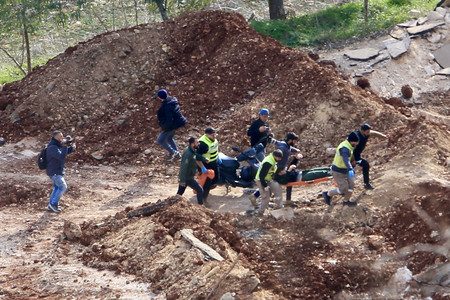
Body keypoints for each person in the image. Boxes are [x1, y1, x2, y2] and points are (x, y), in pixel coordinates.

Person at [249, 132, 303, 207]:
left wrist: (296, 150)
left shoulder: (286, 145)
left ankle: (288, 200)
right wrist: (279, 170)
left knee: (284, 182)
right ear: (290, 140)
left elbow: (289, 149)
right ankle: (255, 196)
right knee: (273, 184)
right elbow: (281, 152)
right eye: (294, 141)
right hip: (278, 170)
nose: (295, 142)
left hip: (281, 169)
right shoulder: (282, 147)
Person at [322, 132, 359, 206]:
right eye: (356, 142)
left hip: (345, 169)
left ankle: (346, 201)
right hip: (338, 171)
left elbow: (350, 155)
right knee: (343, 188)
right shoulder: (344, 148)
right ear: (352, 141)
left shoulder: (350, 146)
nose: (357, 144)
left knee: (351, 184)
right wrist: (350, 168)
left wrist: (353, 161)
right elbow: (345, 159)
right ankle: (328, 194)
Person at [46, 131, 74, 213]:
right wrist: (65, 145)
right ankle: (54, 204)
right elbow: (61, 156)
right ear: (56, 137)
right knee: (63, 186)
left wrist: (71, 148)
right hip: (54, 171)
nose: (63, 138)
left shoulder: (56, 145)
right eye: (61, 137)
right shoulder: (52, 147)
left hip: (55, 170)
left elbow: (63, 152)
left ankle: (51, 205)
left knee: (57, 187)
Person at [156, 89, 187, 161]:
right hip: (177, 124)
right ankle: (178, 155)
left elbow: (169, 120)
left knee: (160, 140)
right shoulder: (172, 101)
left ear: (160, 97)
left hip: (171, 126)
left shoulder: (167, 106)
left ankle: (173, 152)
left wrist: (164, 128)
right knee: (169, 138)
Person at [353, 123, 387, 190]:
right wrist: (352, 160)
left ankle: (366, 184)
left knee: (366, 165)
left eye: (369, 131)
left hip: (357, 155)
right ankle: (341, 189)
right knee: (348, 172)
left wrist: (382, 136)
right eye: (367, 132)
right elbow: (350, 149)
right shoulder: (357, 137)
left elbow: (373, 133)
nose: (369, 133)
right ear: (362, 131)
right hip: (351, 156)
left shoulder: (366, 134)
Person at [196, 127, 221, 201]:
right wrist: (202, 167)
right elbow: (197, 157)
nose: (214, 136)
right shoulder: (202, 144)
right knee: (207, 181)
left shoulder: (214, 139)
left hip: (213, 162)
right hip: (205, 164)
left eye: (215, 134)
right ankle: (203, 198)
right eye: (212, 135)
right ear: (207, 135)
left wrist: (217, 157)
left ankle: (205, 190)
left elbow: (215, 148)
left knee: (216, 179)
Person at [177, 137, 204, 205]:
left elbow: (195, 156)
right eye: (197, 142)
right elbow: (184, 167)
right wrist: (182, 180)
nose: (199, 144)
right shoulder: (188, 153)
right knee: (200, 190)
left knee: (179, 194)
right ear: (192, 144)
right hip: (187, 177)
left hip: (188, 176)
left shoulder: (192, 150)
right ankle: (200, 207)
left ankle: (172, 205)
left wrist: (204, 159)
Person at [255, 149, 283, 215]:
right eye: (278, 158)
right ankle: (260, 212)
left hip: (269, 179)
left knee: (278, 189)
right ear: (274, 156)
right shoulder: (268, 162)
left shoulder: (273, 160)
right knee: (266, 198)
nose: (279, 159)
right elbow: (261, 175)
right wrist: (265, 186)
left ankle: (279, 207)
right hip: (261, 180)